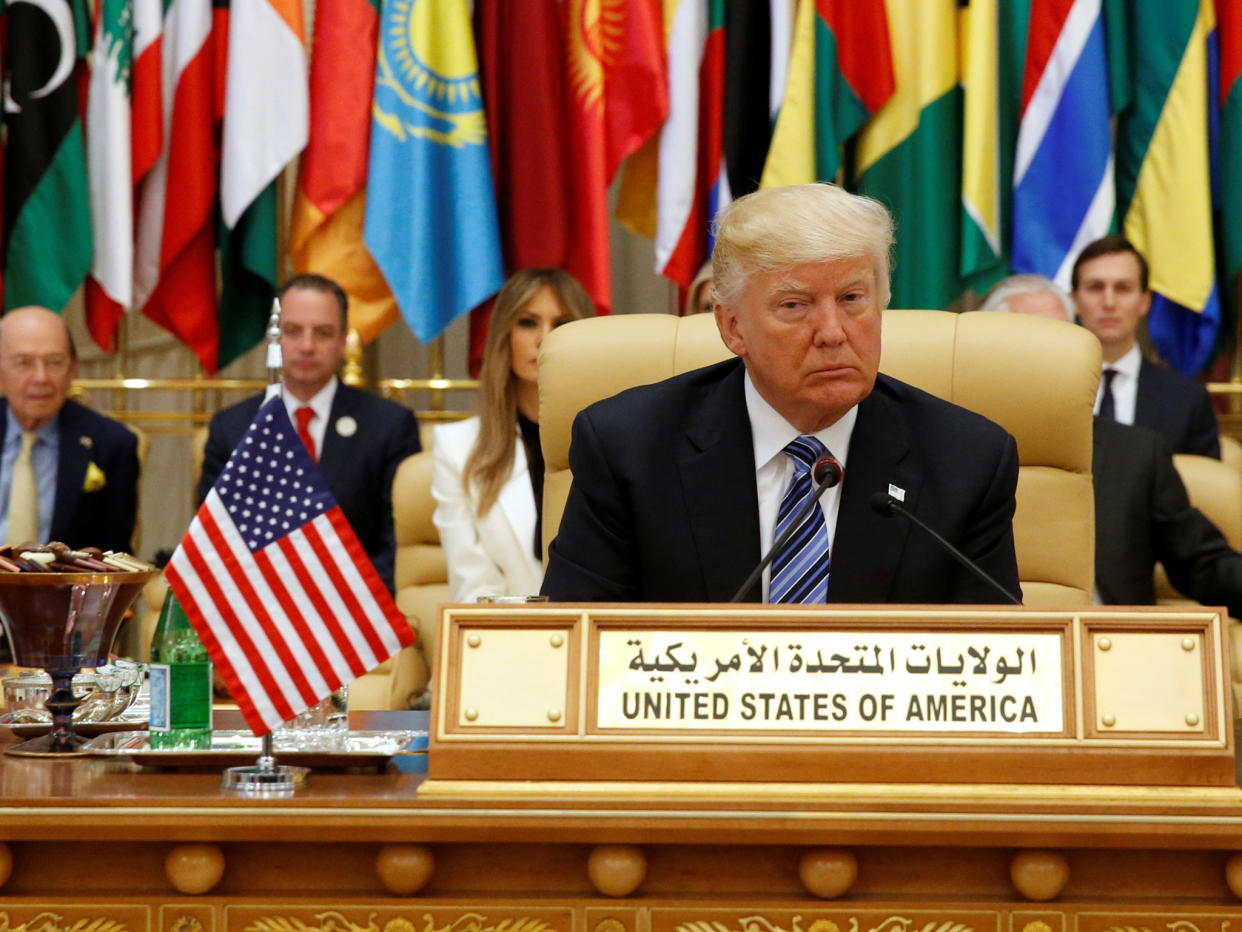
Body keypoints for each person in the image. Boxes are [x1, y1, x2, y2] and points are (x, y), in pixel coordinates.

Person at [542, 183, 1021, 604]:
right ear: (733, 328)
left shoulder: (968, 461)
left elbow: (999, 664)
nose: (833, 332)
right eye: (795, 305)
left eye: (853, 299)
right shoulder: (629, 448)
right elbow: (577, 646)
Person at [982, 274, 1242, 616]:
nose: (1047, 362)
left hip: (1111, 645)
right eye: (1030, 346)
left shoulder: (1135, 453)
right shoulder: (953, 449)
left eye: (1060, 345)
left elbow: (1204, 564)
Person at [198, 274, 421, 592]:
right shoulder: (232, 428)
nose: (306, 346)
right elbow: (215, 541)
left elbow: (397, 545)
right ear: (273, 338)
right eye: (292, 331)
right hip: (256, 609)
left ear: (344, 342)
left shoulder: (389, 426)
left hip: (355, 610)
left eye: (323, 333)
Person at [432, 269, 594, 602]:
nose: (545, 339)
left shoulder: (616, 437)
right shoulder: (457, 449)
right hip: (509, 642)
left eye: (561, 324)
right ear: (504, 335)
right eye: (528, 323)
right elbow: (474, 592)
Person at [0, 306, 140, 553]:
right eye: (24, 363)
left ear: (72, 370)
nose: (41, 377)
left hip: (66, 590)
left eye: (55, 362)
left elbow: (113, 556)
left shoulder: (110, 444)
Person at [1071, 235, 1220, 458]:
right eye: (1095, 287)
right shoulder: (1050, 392)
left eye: (1123, 288)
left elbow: (1204, 488)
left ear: (1145, 301)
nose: (1109, 302)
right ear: (1074, 300)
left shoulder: (1188, 399)